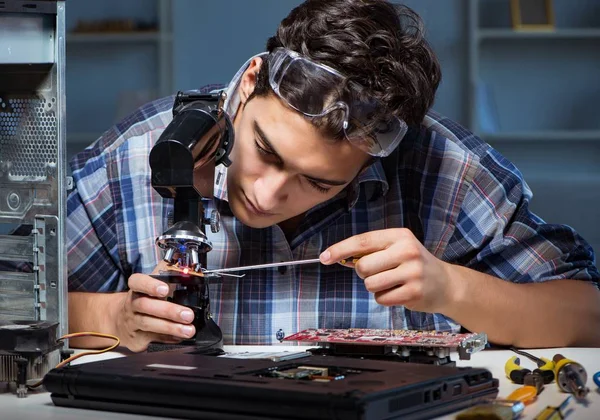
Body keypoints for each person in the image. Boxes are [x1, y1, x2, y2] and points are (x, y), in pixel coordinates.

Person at [66, 0, 600, 352]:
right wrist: (116, 317)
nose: (266, 194)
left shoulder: (446, 169)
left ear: (373, 160)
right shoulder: (135, 155)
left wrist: (452, 288)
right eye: (266, 151)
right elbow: (17, 307)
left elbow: (589, 317)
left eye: (319, 183)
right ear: (250, 81)